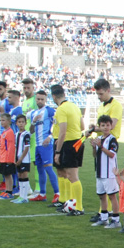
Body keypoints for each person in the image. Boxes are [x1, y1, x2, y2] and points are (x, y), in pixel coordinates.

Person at [52, 84, 85, 216]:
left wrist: (58, 152)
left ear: (54, 96)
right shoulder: (75, 107)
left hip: (69, 144)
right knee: (63, 173)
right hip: (75, 142)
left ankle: (79, 207)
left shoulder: (61, 109)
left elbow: (63, 131)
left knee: (72, 176)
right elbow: (82, 126)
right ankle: (65, 201)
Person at [90, 114, 121, 228]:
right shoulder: (100, 139)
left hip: (109, 173)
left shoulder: (112, 140)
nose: (106, 127)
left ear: (111, 126)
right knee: (102, 196)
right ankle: (104, 218)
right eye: (103, 125)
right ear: (100, 126)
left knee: (112, 196)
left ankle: (116, 220)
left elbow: (112, 154)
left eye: (108, 125)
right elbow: (95, 156)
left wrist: (101, 146)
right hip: (99, 172)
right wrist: (94, 147)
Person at [29, 90, 60, 203]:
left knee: (48, 168)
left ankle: (57, 193)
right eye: (38, 99)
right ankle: (42, 194)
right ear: (35, 99)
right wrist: (33, 122)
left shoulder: (49, 111)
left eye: (42, 99)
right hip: (37, 145)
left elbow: (57, 125)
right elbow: (31, 131)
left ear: (46, 100)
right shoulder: (33, 113)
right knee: (40, 169)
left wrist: (50, 136)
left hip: (46, 144)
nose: (40, 101)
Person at [19, 78, 40, 193]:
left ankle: (38, 188)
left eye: (28, 88)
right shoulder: (25, 102)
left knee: (36, 162)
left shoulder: (35, 100)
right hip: (27, 136)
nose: (26, 90)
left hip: (35, 136)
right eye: (24, 88)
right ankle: (27, 188)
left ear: (33, 87)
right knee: (26, 161)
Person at [11, 114, 32, 204]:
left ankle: (24, 197)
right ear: (16, 123)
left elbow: (26, 148)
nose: (21, 124)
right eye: (19, 122)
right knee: (20, 176)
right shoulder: (16, 134)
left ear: (25, 123)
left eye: (22, 122)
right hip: (18, 158)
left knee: (24, 175)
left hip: (24, 159)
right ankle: (21, 196)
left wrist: (20, 159)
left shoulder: (26, 134)